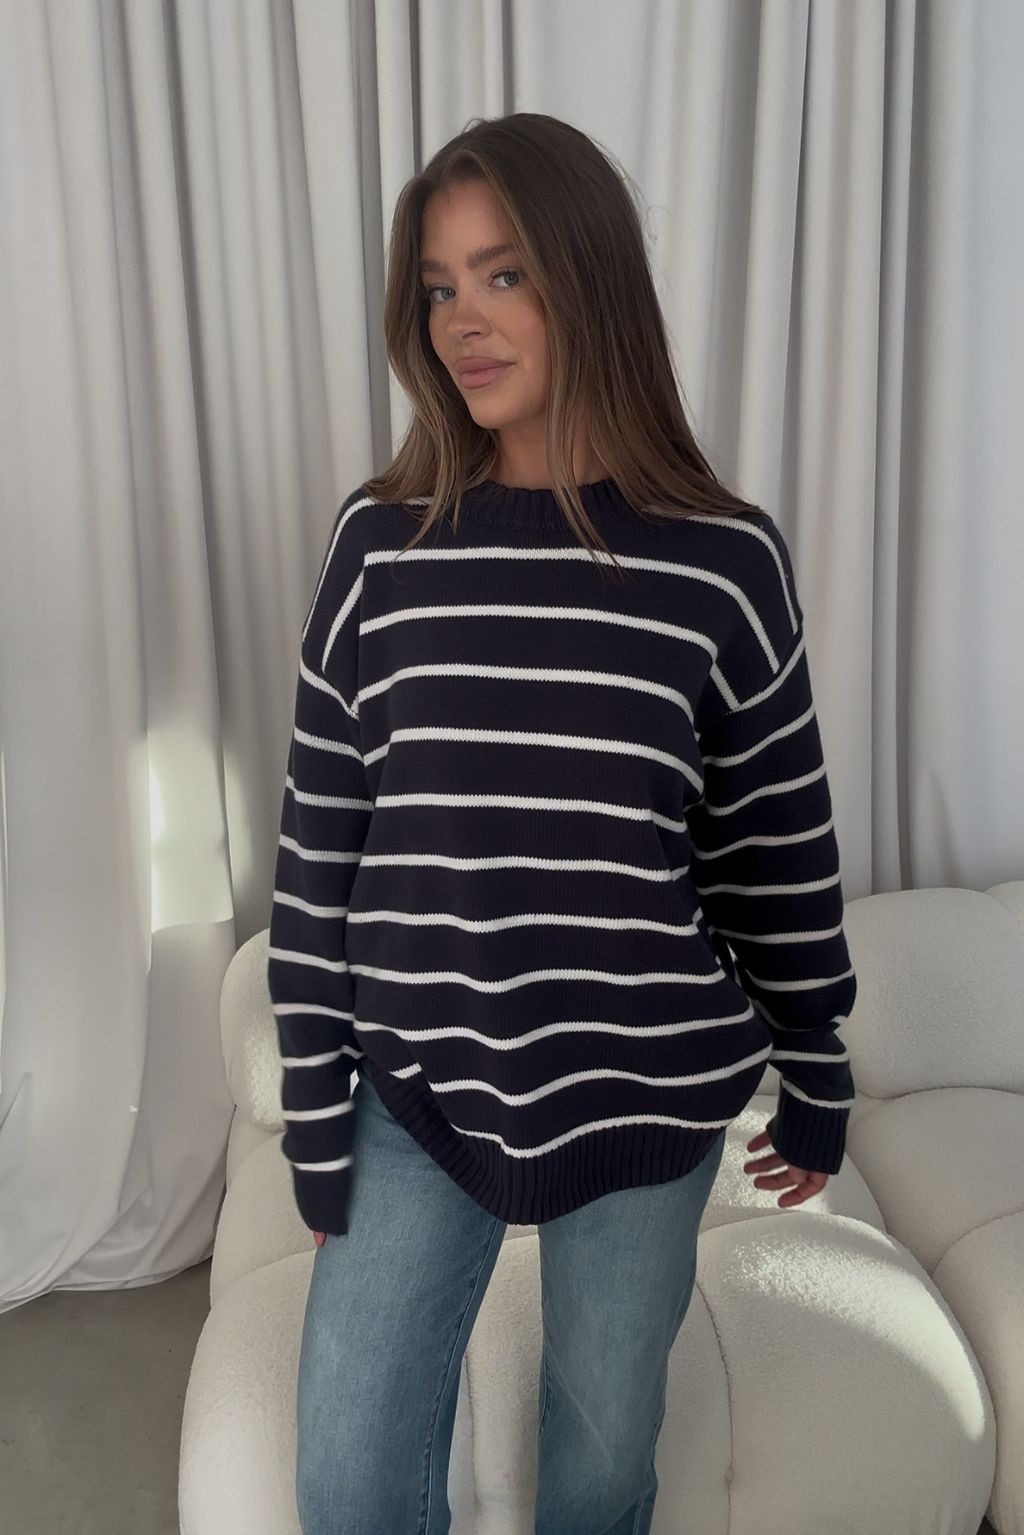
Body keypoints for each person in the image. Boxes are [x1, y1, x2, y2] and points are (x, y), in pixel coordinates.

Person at [267, 111, 856, 1535]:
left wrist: (819, 1061)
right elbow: (319, 844)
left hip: (646, 1088)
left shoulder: (722, 562)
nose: (461, 321)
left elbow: (773, 844)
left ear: (590, 278)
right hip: (414, 1080)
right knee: (350, 1479)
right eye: (437, 286)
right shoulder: (381, 544)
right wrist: (314, 1098)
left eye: (505, 274)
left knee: (600, 1465)